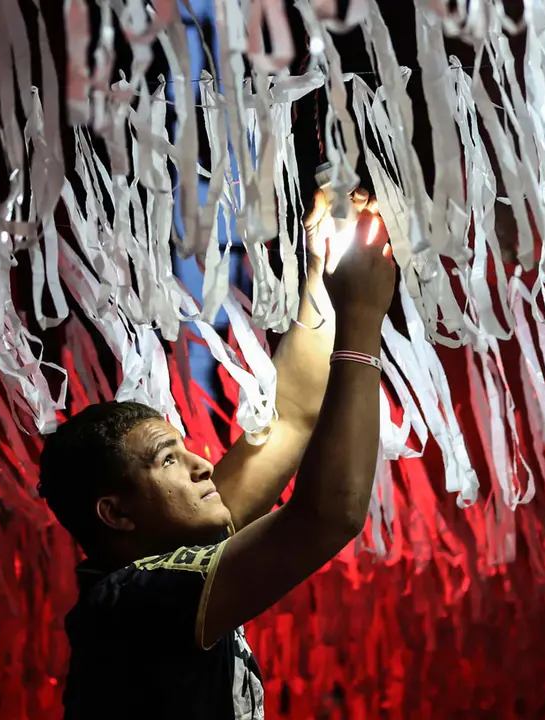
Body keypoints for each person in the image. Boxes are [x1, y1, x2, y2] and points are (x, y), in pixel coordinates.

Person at [36, 191, 396, 719]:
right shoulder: (132, 603)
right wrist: (361, 322)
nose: (203, 464)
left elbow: (292, 411)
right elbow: (329, 516)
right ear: (115, 513)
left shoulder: (165, 557)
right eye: (167, 461)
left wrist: (322, 270)